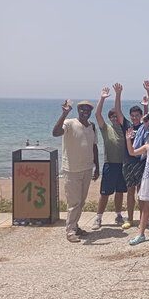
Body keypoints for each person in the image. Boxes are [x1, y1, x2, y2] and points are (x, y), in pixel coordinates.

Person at [52, 99, 99, 243]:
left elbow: (94, 146)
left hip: (87, 168)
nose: (85, 112)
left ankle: (75, 226)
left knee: (81, 201)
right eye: (82, 109)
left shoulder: (92, 126)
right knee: (74, 202)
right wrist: (64, 114)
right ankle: (70, 231)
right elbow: (55, 132)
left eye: (88, 110)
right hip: (71, 170)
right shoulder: (70, 123)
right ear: (78, 110)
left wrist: (97, 166)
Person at [114, 81, 149, 229]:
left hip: (142, 162)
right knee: (130, 191)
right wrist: (118, 94)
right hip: (128, 162)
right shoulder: (127, 125)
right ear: (130, 116)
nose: (135, 118)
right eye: (133, 116)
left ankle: (143, 219)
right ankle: (130, 219)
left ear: (141, 116)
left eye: (137, 115)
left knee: (142, 191)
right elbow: (117, 111)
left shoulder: (145, 125)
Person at [92, 86, 128, 230]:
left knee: (120, 192)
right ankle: (98, 218)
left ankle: (118, 215)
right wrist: (102, 98)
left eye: (116, 116)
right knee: (105, 193)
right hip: (110, 164)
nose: (114, 118)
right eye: (112, 116)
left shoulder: (124, 128)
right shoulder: (106, 128)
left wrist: (118, 95)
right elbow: (97, 114)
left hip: (123, 165)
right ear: (109, 118)